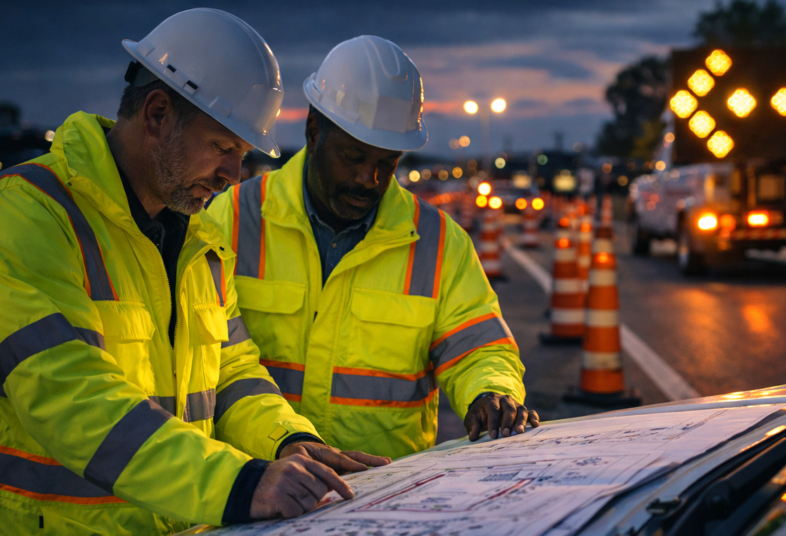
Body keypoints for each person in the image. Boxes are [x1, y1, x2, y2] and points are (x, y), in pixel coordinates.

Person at [0, 10, 386, 536]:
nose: (234, 176)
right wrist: (240, 485)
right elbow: (72, 399)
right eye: (223, 147)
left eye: (244, 156)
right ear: (157, 113)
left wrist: (290, 440)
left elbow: (233, 369)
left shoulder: (199, 238)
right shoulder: (21, 219)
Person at [203, 36, 539, 459]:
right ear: (313, 132)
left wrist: (491, 391)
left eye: (386, 163)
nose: (370, 179)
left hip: (382, 498)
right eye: (354, 157)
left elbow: (479, 346)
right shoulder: (233, 219)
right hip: (255, 493)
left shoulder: (436, 242)